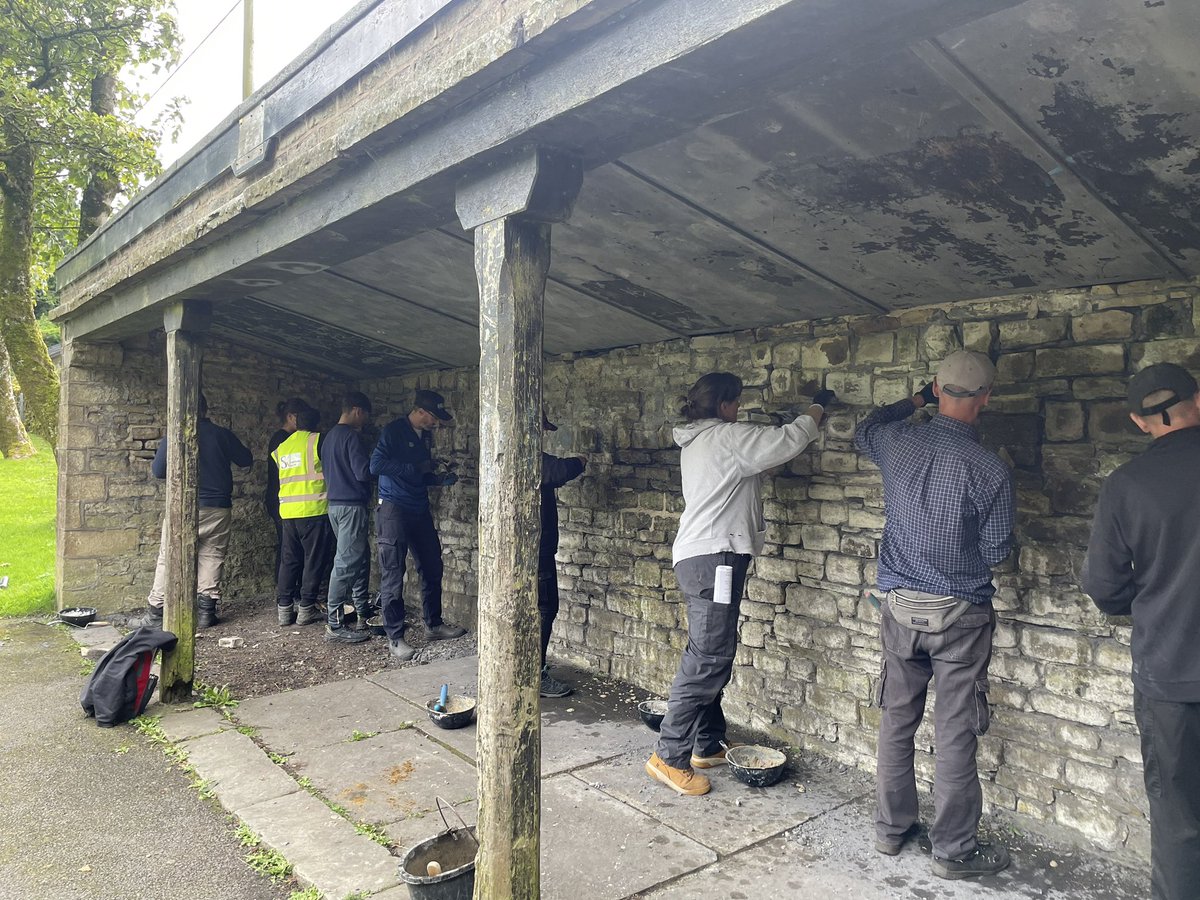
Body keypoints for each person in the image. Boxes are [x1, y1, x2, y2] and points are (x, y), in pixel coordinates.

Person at [853, 350, 1014, 881]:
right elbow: (996, 553)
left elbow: (867, 426)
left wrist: (914, 401)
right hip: (961, 618)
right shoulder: (990, 469)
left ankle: (890, 830)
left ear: (937, 389)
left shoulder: (897, 443)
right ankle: (952, 850)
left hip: (899, 611)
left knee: (897, 721)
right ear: (987, 398)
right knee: (954, 732)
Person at [646, 372, 831, 796]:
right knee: (709, 656)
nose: (740, 410)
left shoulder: (699, 438)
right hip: (715, 562)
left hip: (706, 558)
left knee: (710, 652)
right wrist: (816, 410)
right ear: (726, 405)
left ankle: (706, 744)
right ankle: (667, 756)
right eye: (738, 403)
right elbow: (787, 441)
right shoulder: (727, 438)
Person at [1083, 362, 1200, 900]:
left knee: (1179, 822)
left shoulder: (1127, 486)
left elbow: (1104, 587)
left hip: (1170, 676)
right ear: (1198, 402)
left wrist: (1154, 603)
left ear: (1138, 421)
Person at [370, 389, 467, 661]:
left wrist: (437, 479)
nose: (435, 424)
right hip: (393, 510)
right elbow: (375, 466)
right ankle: (395, 638)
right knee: (393, 572)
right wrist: (413, 468)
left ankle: (433, 625)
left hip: (418, 508)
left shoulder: (423, 435)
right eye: (433, 418)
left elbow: (418, 474)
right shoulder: (393, 431)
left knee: (432, 565)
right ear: (420, 412)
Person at [141, 393, 253, 629]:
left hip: (183, 507)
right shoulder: (221, 435)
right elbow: (245, 459)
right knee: (212, 556)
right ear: (205, 409)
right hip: (218, 508)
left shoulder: (174, 435)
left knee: (167, 557)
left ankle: (155, 613)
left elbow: (159, 471)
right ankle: (206, 613)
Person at [321, 391, 377, 644]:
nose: (364, 421)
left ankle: (362, 609)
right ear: (357, 411)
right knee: (345, 564)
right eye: (364, 415)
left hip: (334, 504)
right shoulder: (351, 438)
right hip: (352, 506)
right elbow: (362, 472)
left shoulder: (329, 437)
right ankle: (334, 624)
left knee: (358, 558)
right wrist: (378, 463)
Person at [538, 414, 587, 698]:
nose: (543, 435)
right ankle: (535, 673)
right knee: (545, 608)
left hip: (527, 547)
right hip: (536, 548)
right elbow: (555, 471)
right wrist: (579, 462)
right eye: (542, 429)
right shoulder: (526, 454)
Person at [272, 402, 332, 627]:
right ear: (316, 425)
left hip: (288, 511)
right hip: (313, 510)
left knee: (289, 561)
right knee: (313, 560)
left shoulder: (283, 446)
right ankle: (306, 609)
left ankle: (284, 611)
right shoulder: (317, 441)